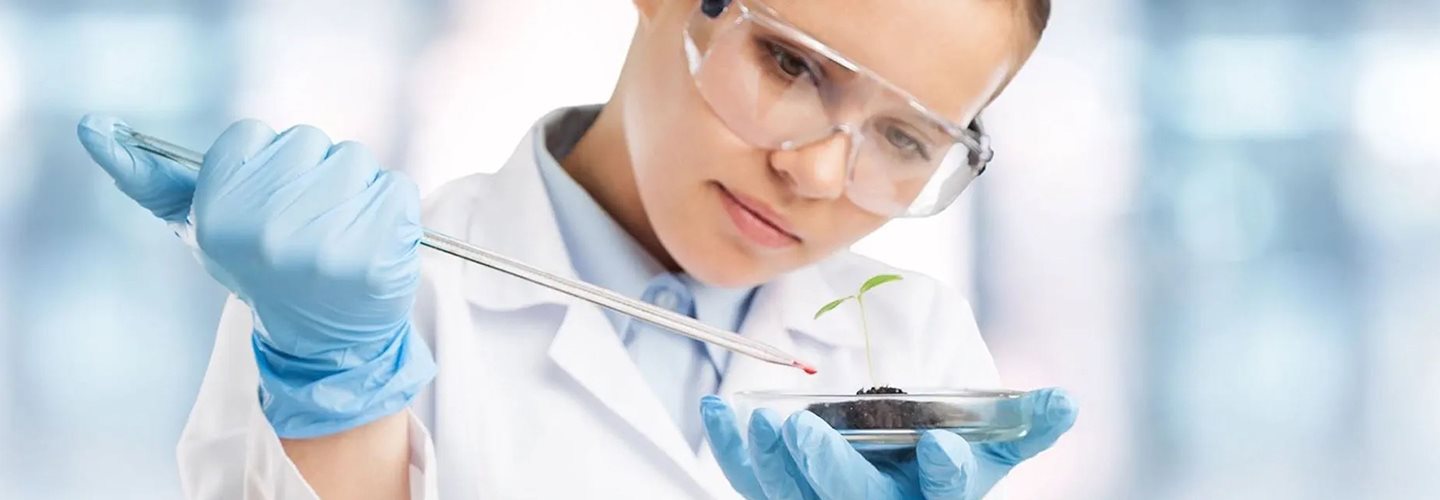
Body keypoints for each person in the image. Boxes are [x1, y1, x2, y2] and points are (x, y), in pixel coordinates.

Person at [76, 0, 1075, 498]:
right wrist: (334, 393)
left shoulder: (914, 345)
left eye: (904, 138)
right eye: (790, 64)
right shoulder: (342, 297)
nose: (816, 172)